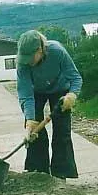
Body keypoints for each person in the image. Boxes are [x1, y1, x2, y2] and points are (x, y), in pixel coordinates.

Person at [16, 30, 83, 179]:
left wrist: (72, 95)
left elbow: (75, 78)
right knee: (35, 132)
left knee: (62, 130)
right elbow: (26, 94)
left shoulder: (57, 51)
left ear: (39, 50)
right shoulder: (22, 63)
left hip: (60, 90)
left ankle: (61, 174)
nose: (27, 61)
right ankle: (39, 173)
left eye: (30, 57)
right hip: (36, 92)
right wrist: (29, 120)